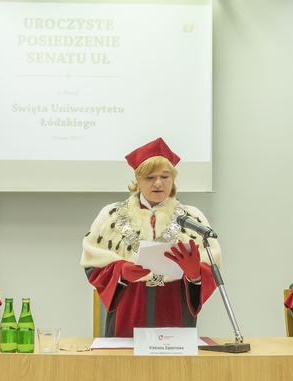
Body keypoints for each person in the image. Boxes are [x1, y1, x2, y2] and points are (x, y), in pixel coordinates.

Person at [80, 137, 220, 338]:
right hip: (128, 312)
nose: (158, 183)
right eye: (149, 177)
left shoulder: (192, 218)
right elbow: (93, 263)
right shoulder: (112, 216)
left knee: (173, 369)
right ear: (137, 180)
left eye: (165, 176)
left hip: (174, 312)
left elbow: (211, 266)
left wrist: (195, 273)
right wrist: (120, 271)